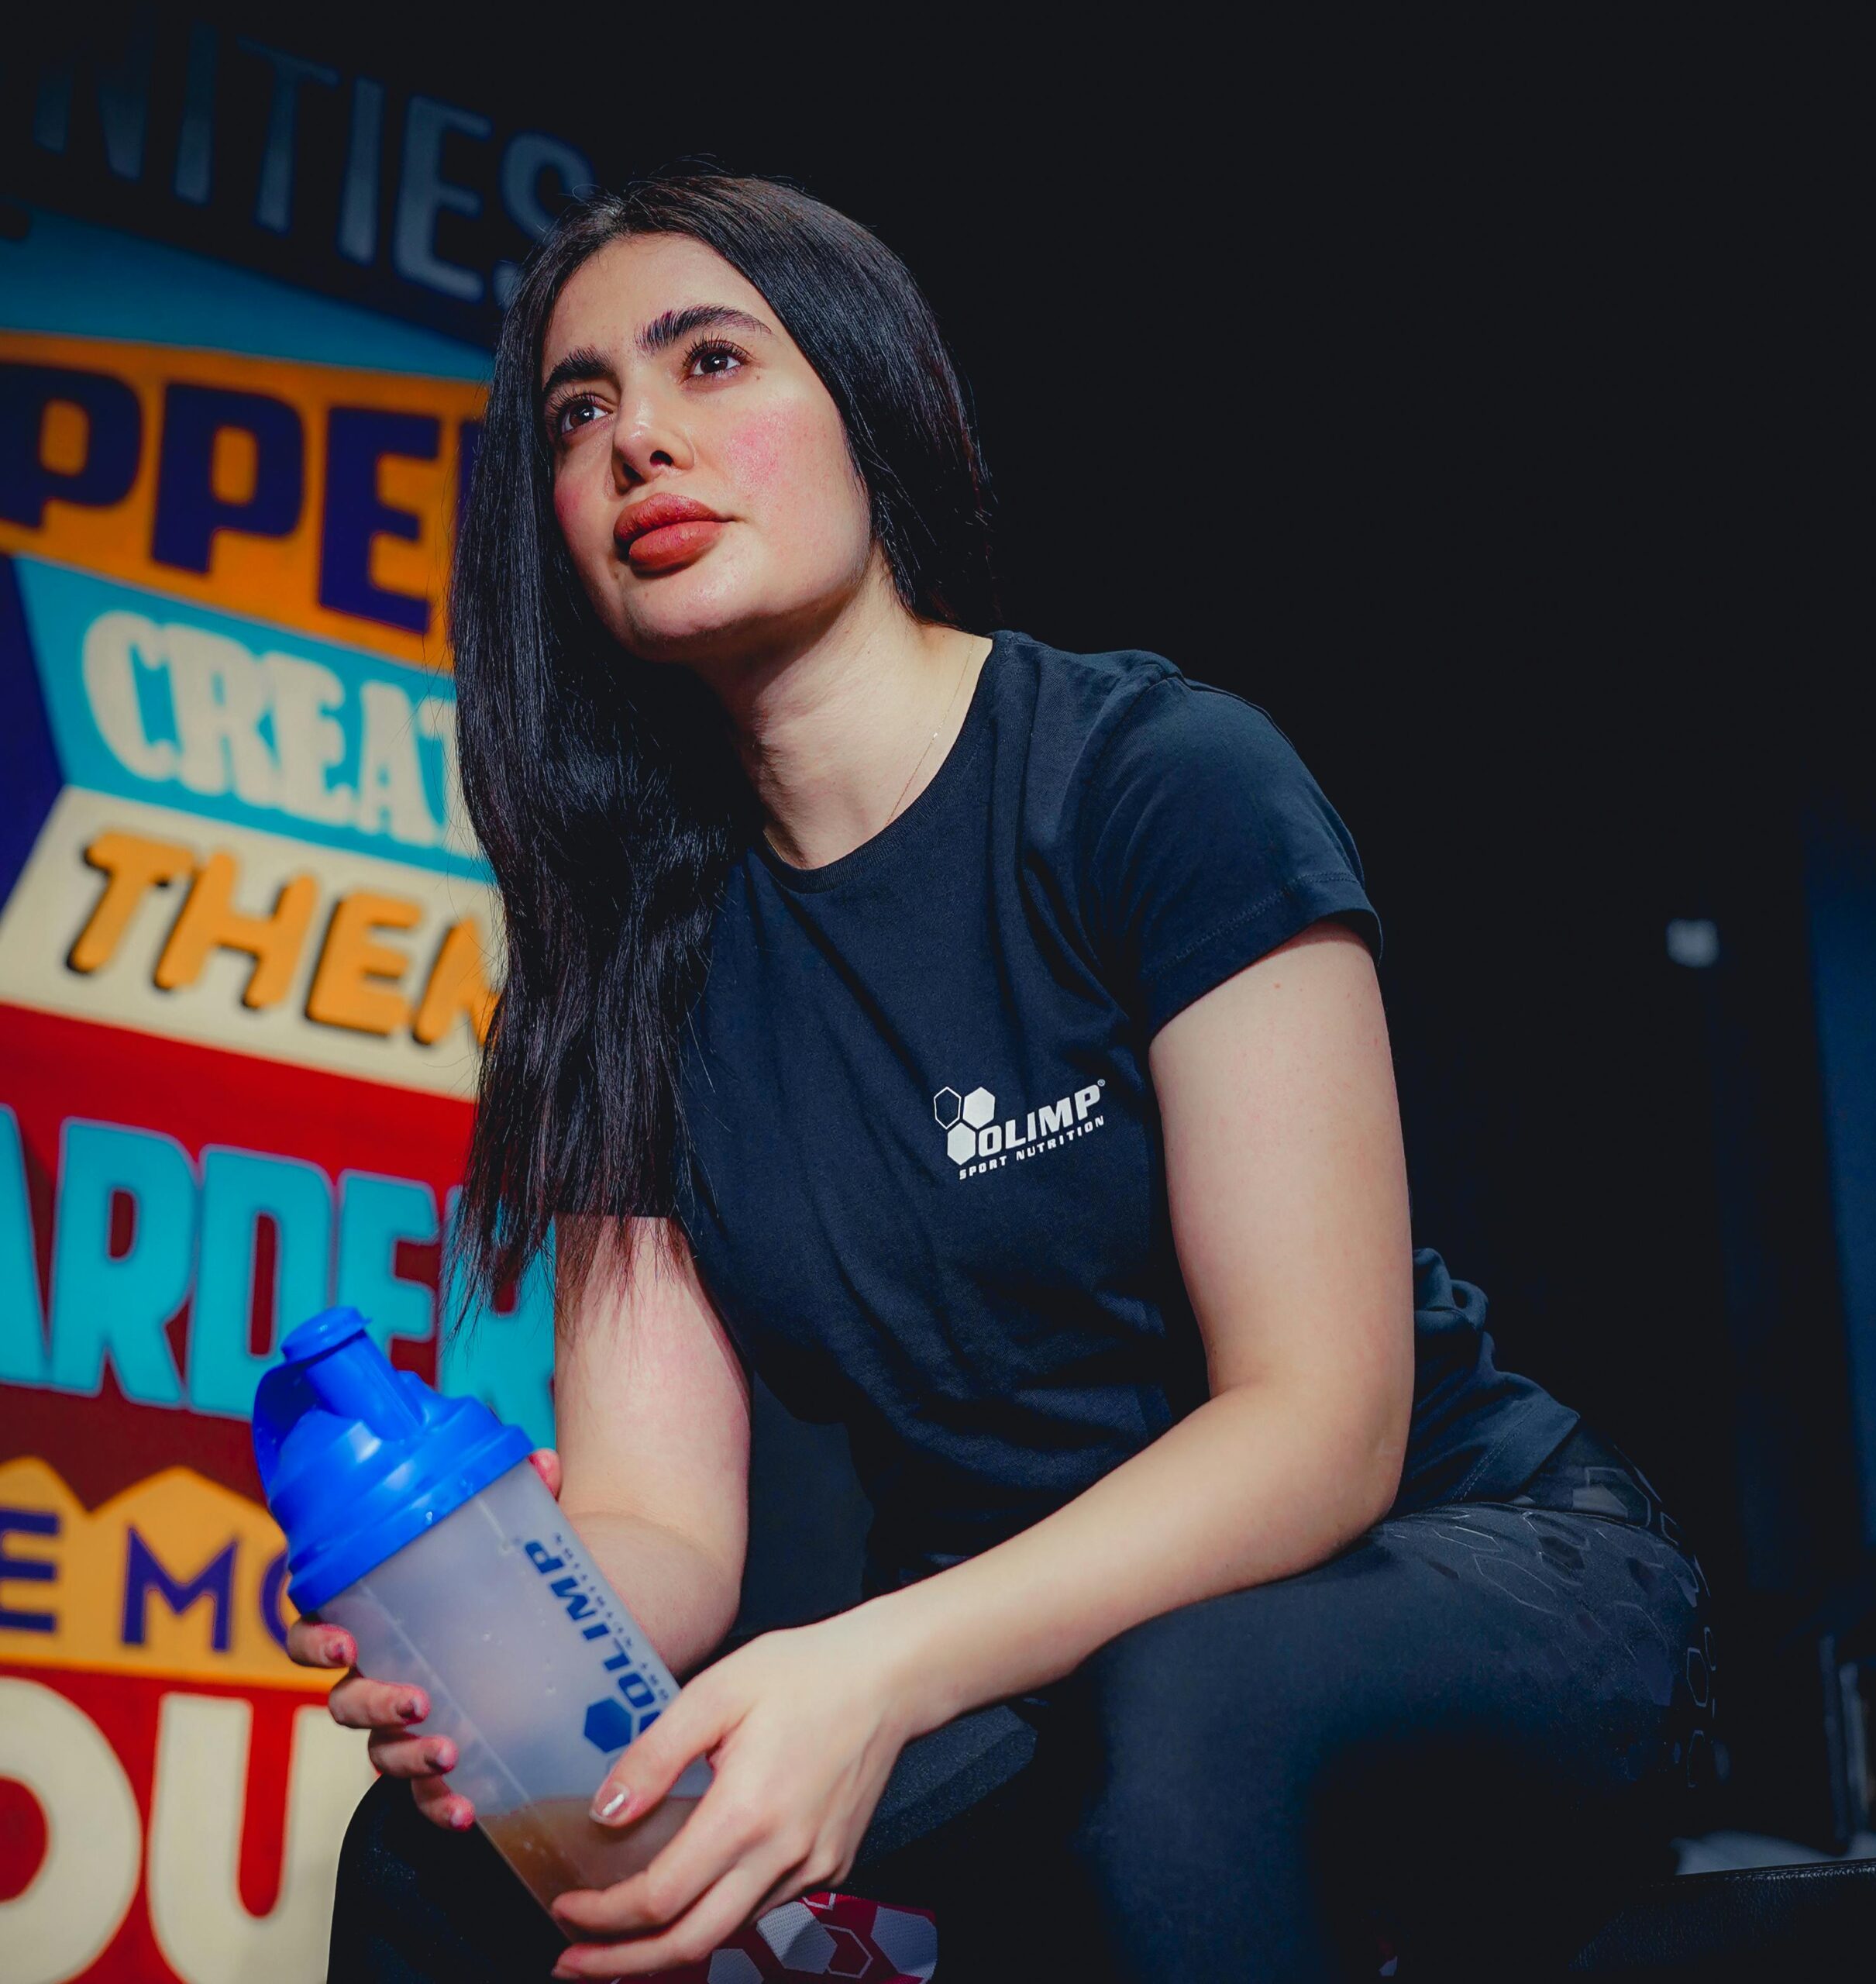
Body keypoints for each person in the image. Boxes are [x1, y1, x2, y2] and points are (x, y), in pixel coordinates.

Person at [298, 168, 1719, 1982]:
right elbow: (661, 1522)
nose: (637, 436)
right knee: (441, 1864)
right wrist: (496, 1632)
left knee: (1182, 1704)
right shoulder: (631, 971)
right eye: (580, 413)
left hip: (1461, 1561)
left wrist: (879, 1663)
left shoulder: (1156, 779)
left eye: (708, 360)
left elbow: (1320, 1422)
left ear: (867, 398)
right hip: (1038, 1655)